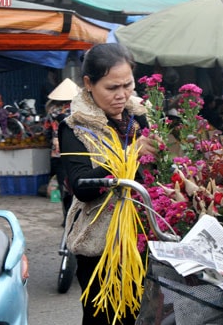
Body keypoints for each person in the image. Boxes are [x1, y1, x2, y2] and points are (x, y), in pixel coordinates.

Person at [59, 43, 159, 325]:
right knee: (104, 318)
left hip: (143, 237)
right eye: (112, 87)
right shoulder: (74, 127)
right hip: (101, 244)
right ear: (89, 84)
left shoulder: (139, 116)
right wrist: (129, 155)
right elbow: (81, 185)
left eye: (127, 85)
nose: (122, 94)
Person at [43, 77, 79, 224]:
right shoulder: (79, 109)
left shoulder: (52, 111)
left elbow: (45, 131)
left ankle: (66, 219)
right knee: (77, 185)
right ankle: (77, 218)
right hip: (78, 152)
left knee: (64, 185)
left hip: (58, 154)